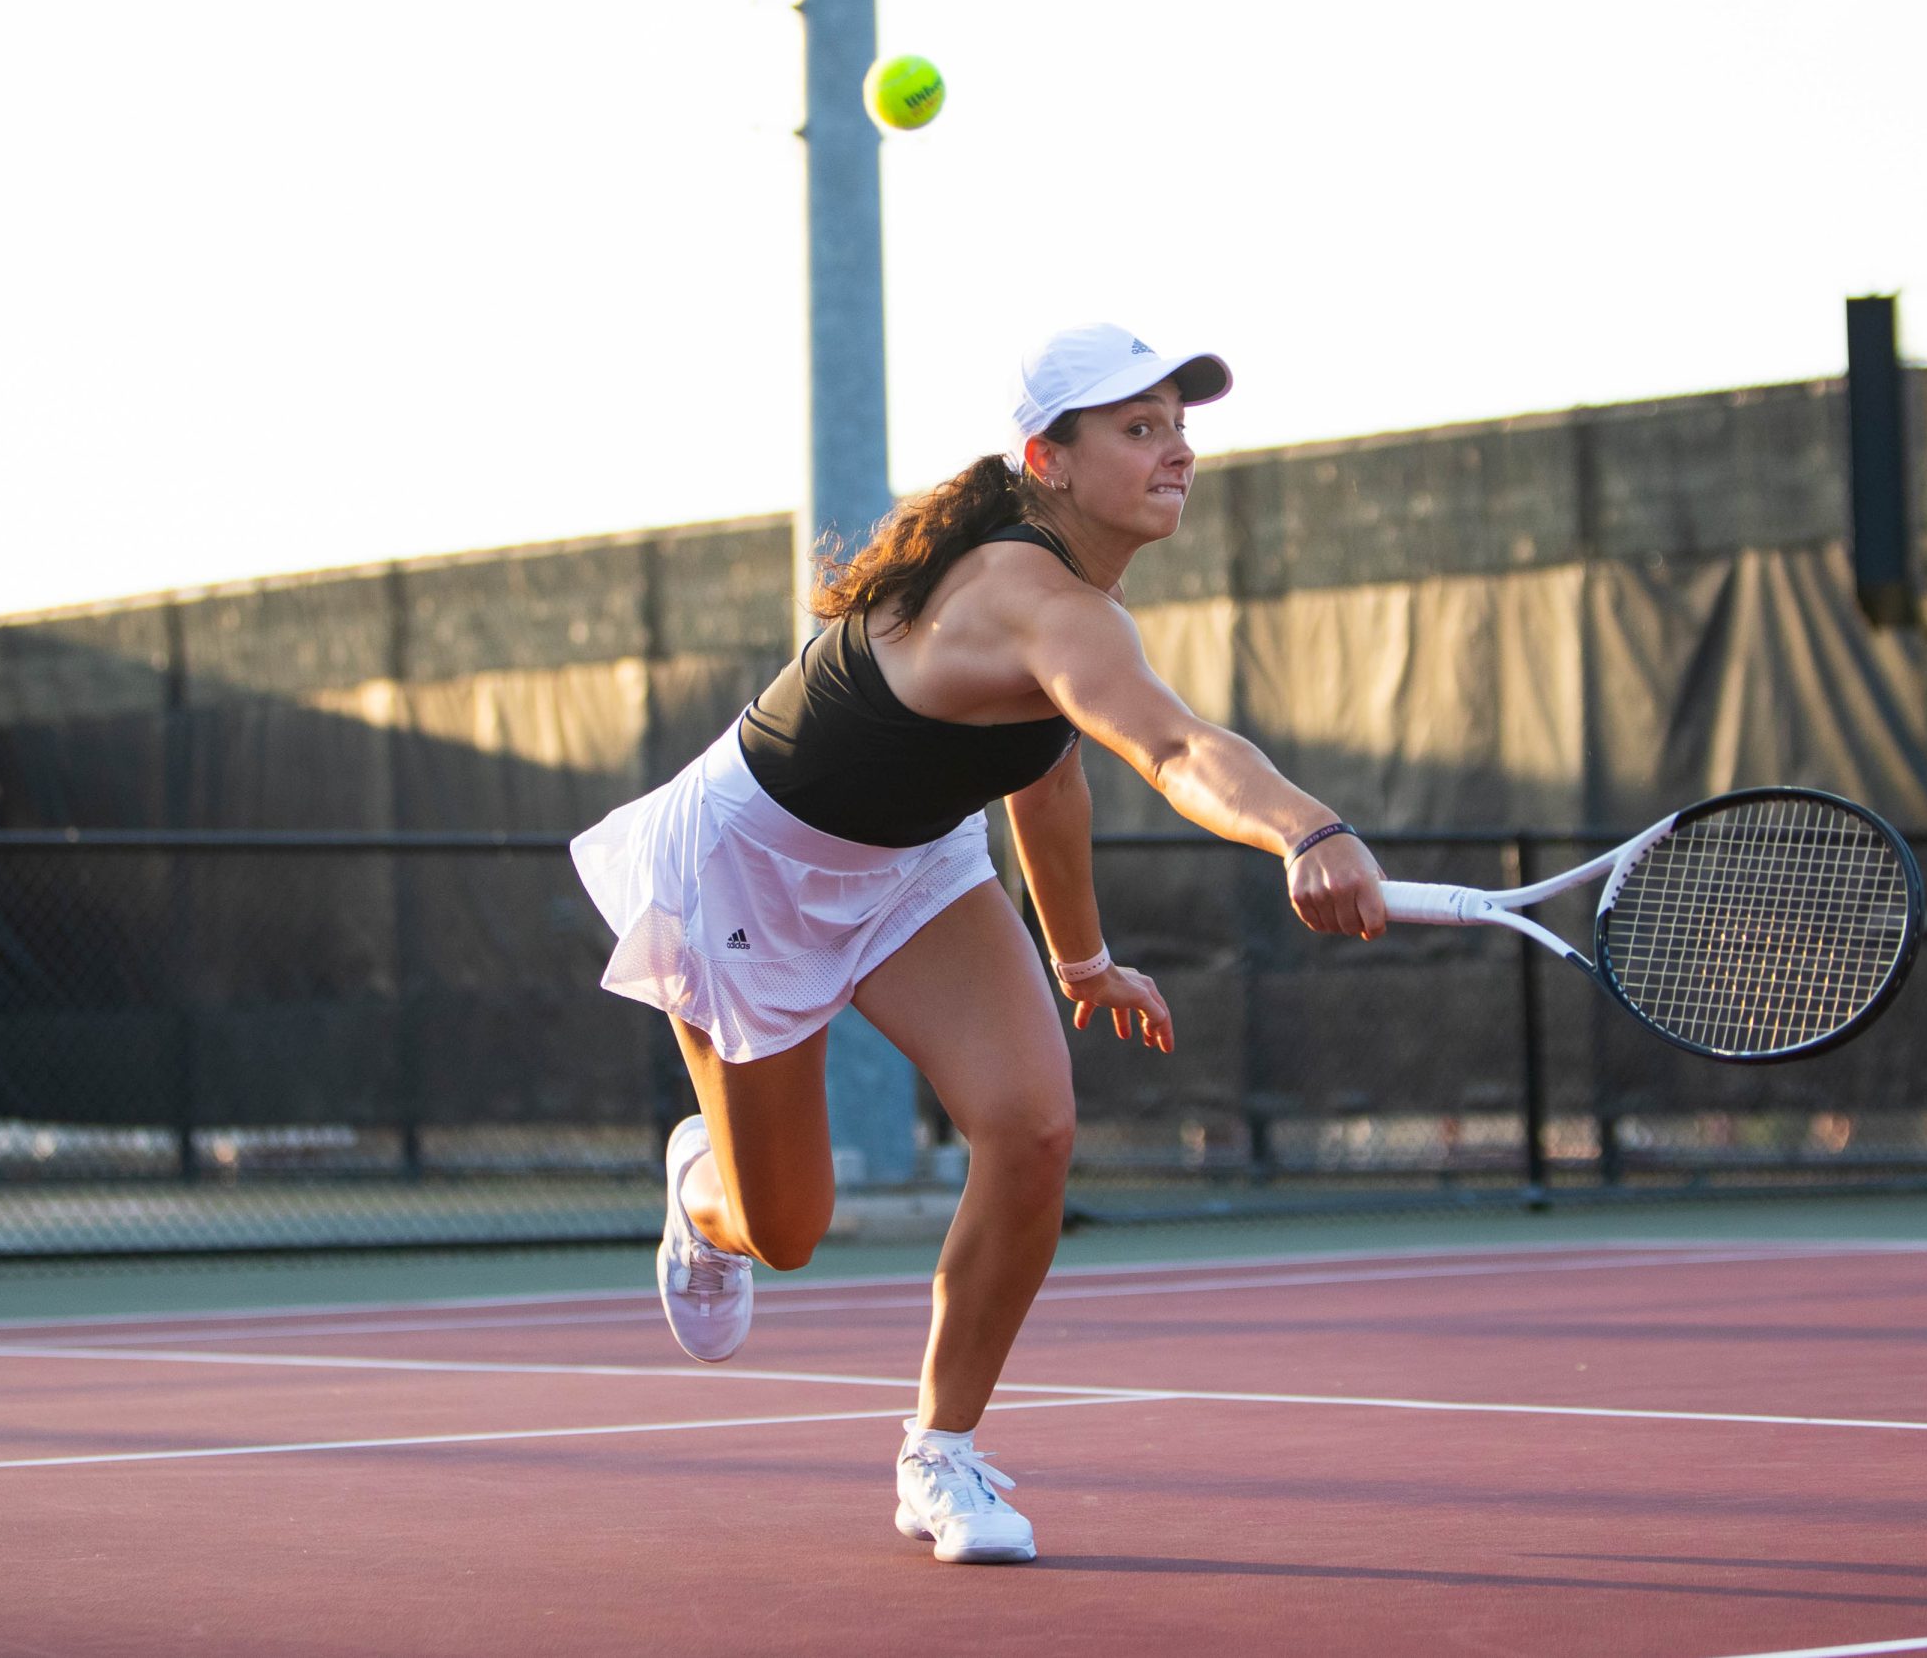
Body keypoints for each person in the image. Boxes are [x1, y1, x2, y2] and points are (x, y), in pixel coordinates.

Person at [571, 322, 1388, 1565]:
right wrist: (1306, 828)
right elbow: (1167, 749)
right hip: (746, 870)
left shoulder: (1081, 607)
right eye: (1137, 427)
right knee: (786, 1231)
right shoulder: (1026, 594)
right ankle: (701, 1193)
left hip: (910, 867)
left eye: (1178, 425)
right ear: (1046, 460)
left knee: (1034, 1127)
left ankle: (937, 1455)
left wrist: (1080, 961)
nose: (1175, 450)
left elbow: (1047, 782)